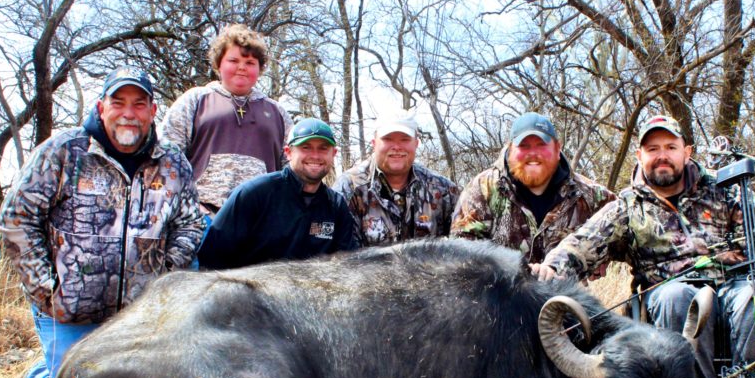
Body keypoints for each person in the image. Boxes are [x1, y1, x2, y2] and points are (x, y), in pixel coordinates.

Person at [534, 114, 755, 378]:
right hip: (669, 298)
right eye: (652, 148)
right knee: (677, 297)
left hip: (734, 286)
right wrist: (550, 270)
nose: (662, 155)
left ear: (687, 152)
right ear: (640, 156)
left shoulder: (725, 188)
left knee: (752, 297)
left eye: (670, 147)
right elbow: (581, 244)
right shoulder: (627, 207)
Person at [0, 67, 204, 378]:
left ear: (153, 111)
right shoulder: (64, 152)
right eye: (118, 102)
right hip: (70, 311)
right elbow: (15, 219)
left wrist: (165, 278)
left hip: (139, 314)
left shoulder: (172, 163)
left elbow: (191, 224)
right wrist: (48, 289)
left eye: (139, 104)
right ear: (100, 107)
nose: (128, 113)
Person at [160, 23, 291, 214]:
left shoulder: (277, 113)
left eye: (250, 63)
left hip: (262, 221)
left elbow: (292, 168)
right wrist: (185, 205)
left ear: (260, 68)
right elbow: (168, 156)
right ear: (218, 63)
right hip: (202, 215)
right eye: (233, 60)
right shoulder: (195, 100)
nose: (241, 68)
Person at [451, 111, 614, 263]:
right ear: (510, 149)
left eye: (541, 145)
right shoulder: (482, 189)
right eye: (524, 146)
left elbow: (625, 232)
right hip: (502, 291)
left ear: (558, 148)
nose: (533, 153)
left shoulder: (590, 195)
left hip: (565, 293)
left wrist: (599, 258)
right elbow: (461, 255)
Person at [198, 118, 359, 268]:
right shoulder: (254, 193)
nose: (315, 156)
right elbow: (212, 257)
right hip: (249, 293)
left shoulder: (336, 205)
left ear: (333, 154)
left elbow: (346, 265)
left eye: (323, 148)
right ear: (288, 152)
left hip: (310, 294)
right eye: (306, 147)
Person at [334, 111, 460, 247]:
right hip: (366, 268)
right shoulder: (349, 188)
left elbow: (463, 247)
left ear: (416, 143)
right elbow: (341, 255)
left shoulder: (443, 189)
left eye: (405, 139)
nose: (397, 147)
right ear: (374, 143)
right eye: (388, 139)